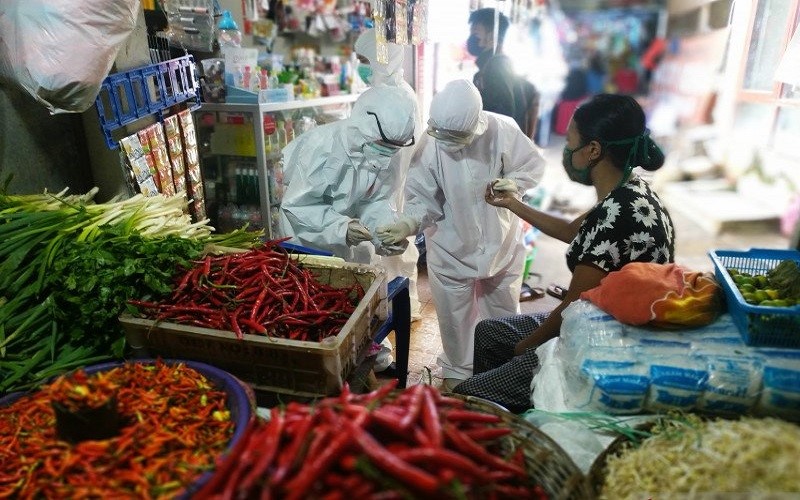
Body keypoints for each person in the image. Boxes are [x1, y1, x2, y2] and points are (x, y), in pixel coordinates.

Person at [452, 93, 676, 413]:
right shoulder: (629, 191)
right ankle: (509, 409)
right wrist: (514, 204)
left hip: (606, 340)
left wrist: (525, 348)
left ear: (594, 150)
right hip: (596, 318)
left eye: (571, 142)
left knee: (467, 394)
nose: (567, 150)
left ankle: (505, 421)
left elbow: (570, 308)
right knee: (489, 332)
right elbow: (572, 232)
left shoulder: (617, 217)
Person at [376, 79, 545, 390]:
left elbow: (532, 165)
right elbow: (421, 198)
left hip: (501, 240)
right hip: (450, 243)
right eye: (443, 135)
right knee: (455, 317)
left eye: (457, 136)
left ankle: (501, 367)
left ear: (477, 124)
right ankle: (459, 366)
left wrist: (514, 183)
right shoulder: (430, 144)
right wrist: (408, 224)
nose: (448, 142)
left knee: (503, 311)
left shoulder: (502, 129)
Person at [278, 85, 416, 260]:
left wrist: (384, 232)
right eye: (382, 144)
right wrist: (342, 229)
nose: (387, 153)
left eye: (394, 147)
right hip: (304, 242)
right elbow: (297, 207)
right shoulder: (321, 146)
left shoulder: (391, 152)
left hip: (343, 244)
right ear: (365, 125)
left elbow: (375, 200)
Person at [354, 28, 424, 321]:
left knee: (378, 253)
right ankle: (407, 307)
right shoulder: (404, 91)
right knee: (397, 252)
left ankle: (385, 313)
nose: (361, 67)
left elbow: (360, 145)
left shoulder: (379, 98)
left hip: (379, 184)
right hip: (397, 184)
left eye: (364, 59)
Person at [467, 8, 538, 138]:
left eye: (475, 32)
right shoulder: (493, 65)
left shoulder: (496, 66)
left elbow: (502, 115)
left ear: (492, 36)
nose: (471, 37)